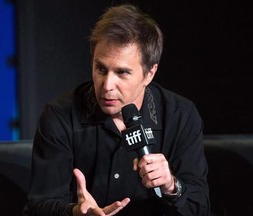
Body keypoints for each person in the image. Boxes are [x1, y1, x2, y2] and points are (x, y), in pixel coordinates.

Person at [26, 4, 210, 216]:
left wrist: (171, 186)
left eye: (122, 73)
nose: (107, 85)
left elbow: (200, 207)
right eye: (101, 69)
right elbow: (39, 205)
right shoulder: (60, 116)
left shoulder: (180, 116)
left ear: (150, 73)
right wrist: (76, 212)